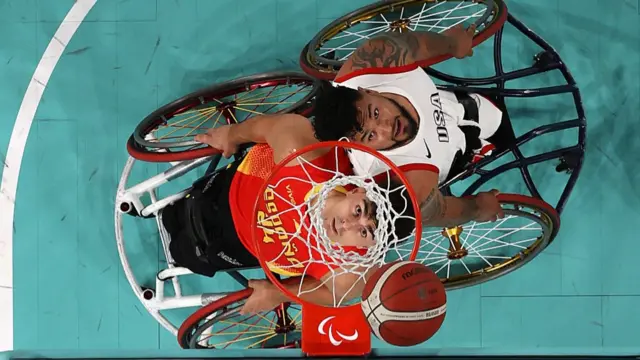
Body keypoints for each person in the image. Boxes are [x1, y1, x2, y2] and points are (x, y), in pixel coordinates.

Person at [162, 113, 415, 314]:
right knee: (168, 214)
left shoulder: (350, 271)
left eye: (364, 231)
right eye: (359, 210)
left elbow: (332, 295)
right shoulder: (306, 157)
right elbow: (273, 127)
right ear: (357, 191)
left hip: (229, 249)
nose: (347, 224)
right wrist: (232, 133)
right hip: (216, 194)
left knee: (181, 256)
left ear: (370, 246)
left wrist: (278, 293)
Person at [311, 24, 506, 227]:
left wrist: (452, 43)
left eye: (376, 113)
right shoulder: (405, 181)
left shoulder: (375, 60)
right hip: (461, 149)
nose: (387, 130)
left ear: (369, 91)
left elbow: (416, 44)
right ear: (357, 146)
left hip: (457, 104)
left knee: (489, 112)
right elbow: (437, 212)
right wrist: (477, 208)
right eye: (371, 136)